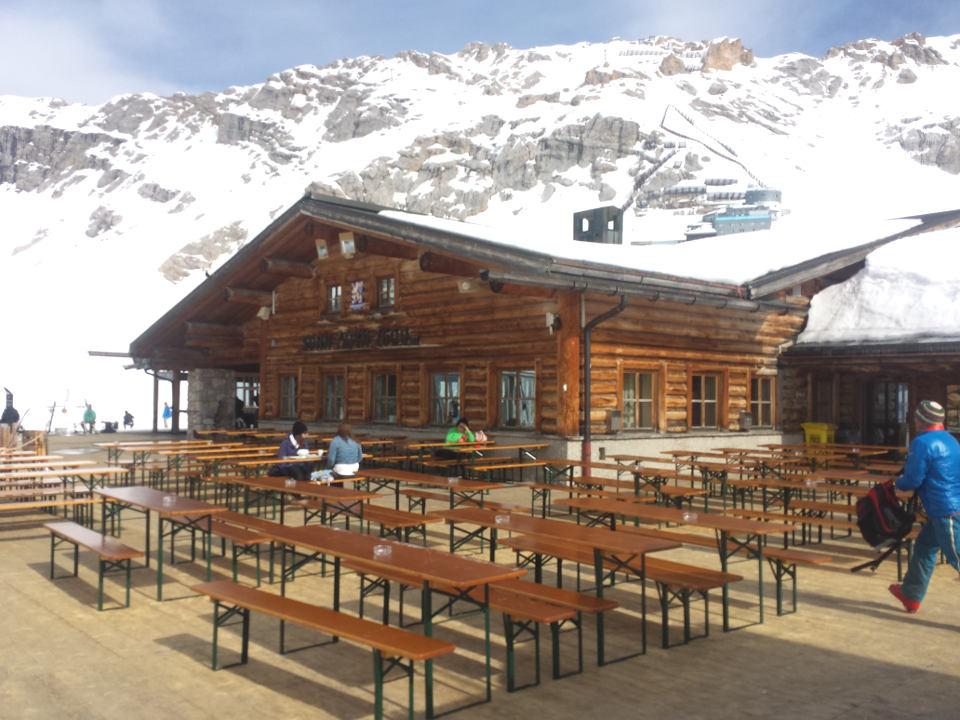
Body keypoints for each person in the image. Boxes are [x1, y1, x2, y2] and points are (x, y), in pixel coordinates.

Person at [888, 400, 960, 613]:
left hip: (946, 510)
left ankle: (911, 594)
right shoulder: (950, 440)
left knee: (957, 556)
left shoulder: (922, 443)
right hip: (948, 506)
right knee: (925, 547)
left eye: (916, 417)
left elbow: (912, 479)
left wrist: (896, 486)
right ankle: (911, 594)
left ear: (921, 420)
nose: (914, 420)